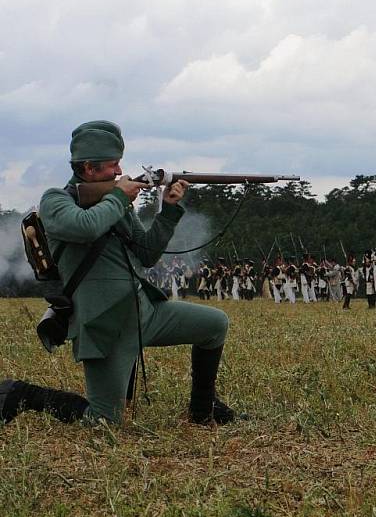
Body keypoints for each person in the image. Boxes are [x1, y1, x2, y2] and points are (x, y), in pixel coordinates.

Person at [1, 120, 238, 426]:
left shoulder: (115, 203)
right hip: (105, 324)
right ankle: (21, 394)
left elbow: (148, 254)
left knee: (215, 324)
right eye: (112, 165)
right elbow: (84, 227)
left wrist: (169, 210)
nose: (118, 172)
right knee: (105, 422)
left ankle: (204, 410)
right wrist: (118, 198)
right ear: (88, 168)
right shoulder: (56, 201)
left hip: (144, 312)